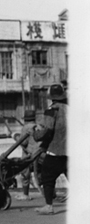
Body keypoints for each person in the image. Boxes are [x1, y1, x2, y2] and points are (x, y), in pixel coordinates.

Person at [32, 84, 67, 215]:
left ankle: (48, 206)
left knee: (47, 176)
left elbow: (48, 131)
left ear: (51, 97)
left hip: (56, 150)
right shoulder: (70, 109)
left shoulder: (52, 110)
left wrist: (35, 135)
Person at [14, 110, 41, 201]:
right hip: (39, 154)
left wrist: (16, 137)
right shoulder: (38, 126)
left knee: (25, 173)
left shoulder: (26, 128)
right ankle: (50, 194)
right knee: (40, 173)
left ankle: (26, 194)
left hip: (28, 155)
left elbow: (24, 142)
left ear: (26, 119)